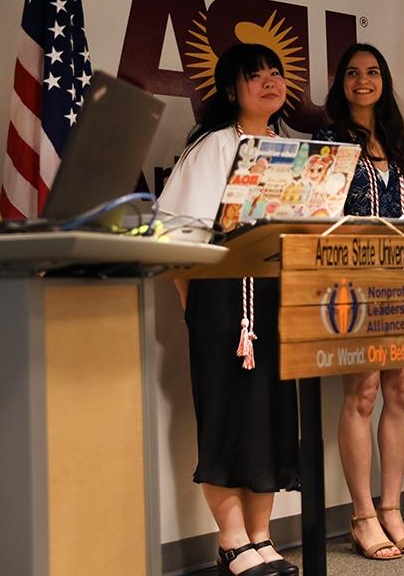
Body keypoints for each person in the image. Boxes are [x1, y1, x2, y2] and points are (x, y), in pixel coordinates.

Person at [157, 43, 299, 576]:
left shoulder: (294, 151)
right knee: (224, 413)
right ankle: (232, 541)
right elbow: (175, 233)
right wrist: (192, 300)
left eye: (275, 73)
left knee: (270, 413)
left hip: (279, 297)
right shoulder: (214, 146)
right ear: (230, 89)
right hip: (222, 297)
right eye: (254, 75)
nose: (269, 82)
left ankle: (262, 537)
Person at [314, 43, 404, 560]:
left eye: (373, 72)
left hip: (401, 283)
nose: (364, 80)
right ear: (341, 82)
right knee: (361, 393)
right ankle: (361, 516)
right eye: (354, 73)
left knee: (401, 390)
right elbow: (317, 215)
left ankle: (392, 509)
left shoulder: (399, 143)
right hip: (350, 285)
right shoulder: (329, 140)